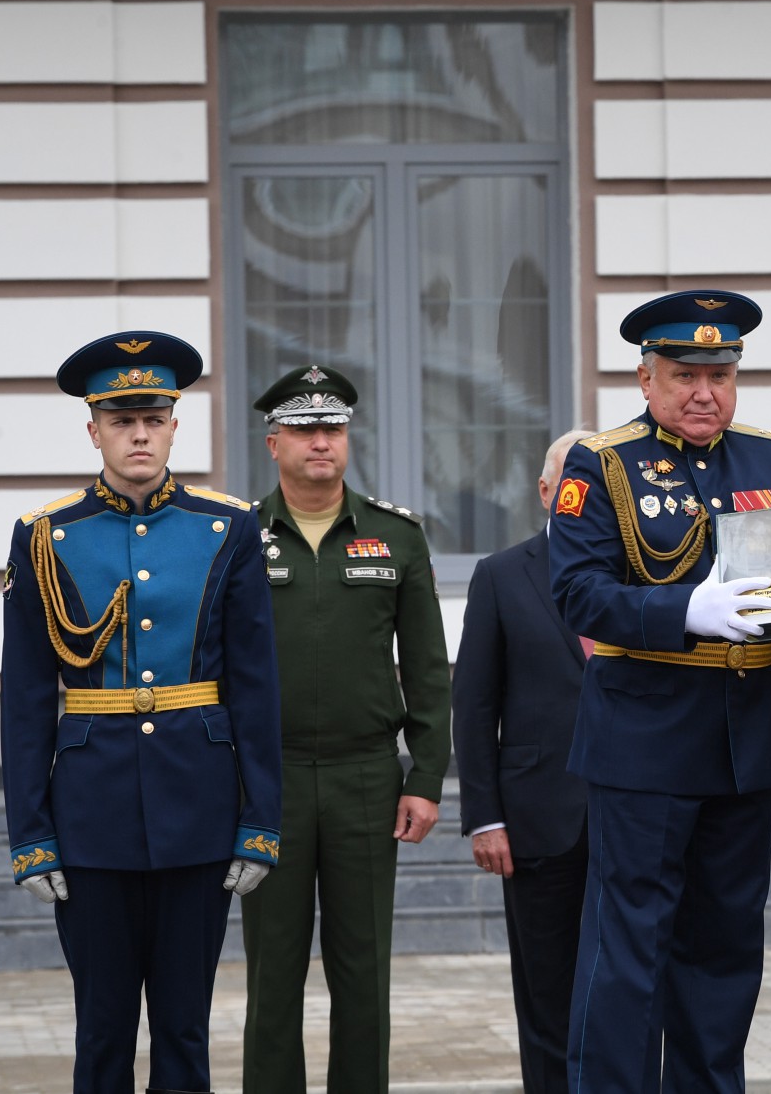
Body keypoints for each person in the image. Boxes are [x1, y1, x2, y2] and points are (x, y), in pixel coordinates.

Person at [548, 290, 771, 1093]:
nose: (704, 392)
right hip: (645, 742)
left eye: (720, 374)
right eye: (685, 373)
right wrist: (684, 608)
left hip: (742, 741)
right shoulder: (603, 461)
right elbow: (577, 592)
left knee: (724, 955)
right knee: (630, 956)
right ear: (645, 378)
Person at [0, 330, 282, 1094]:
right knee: (101, 1032)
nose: (139, 434)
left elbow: (256, 685)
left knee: (187, 1031)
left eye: (152, 418)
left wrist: (261, 819)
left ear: (174, 425)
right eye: (121, 421)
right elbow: (26, 699)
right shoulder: (46, 536)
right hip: (91, 817)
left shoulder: (227, 525)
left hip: (199, 805)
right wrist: (31, 833)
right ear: (93, 430)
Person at [240, 365, 452, 1094]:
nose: (320, 442)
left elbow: (427, 668)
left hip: (368, 776)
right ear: (274, 443)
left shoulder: (396, 536)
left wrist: (425, 778)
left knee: (363, 973)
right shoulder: (239, 536)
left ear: (348, 439)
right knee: (272, 972)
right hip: (271, 781)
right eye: (303, 429)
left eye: (332, 428)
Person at [453, 428, 595, 1094]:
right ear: (544, 490)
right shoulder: (502, 574)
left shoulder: (652, 570)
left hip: (640, 814)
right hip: (540, 819)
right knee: (547, 995)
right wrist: (483, 815)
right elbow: (474, 703)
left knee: (635, 986)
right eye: (569, 477)